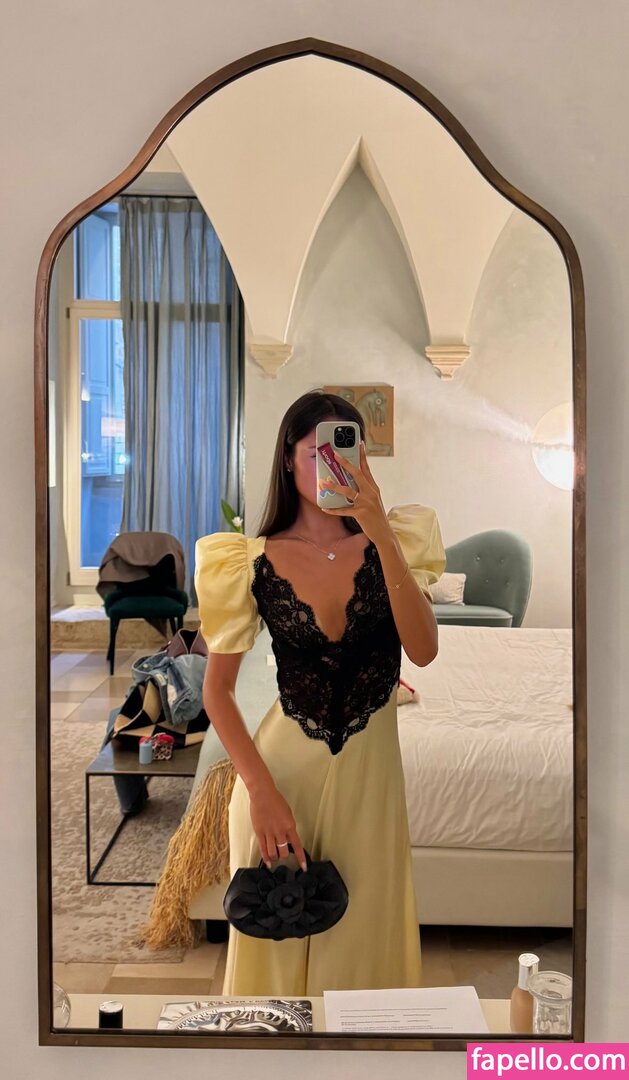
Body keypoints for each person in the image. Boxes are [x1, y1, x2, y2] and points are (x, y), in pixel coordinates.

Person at [192, 390, 446, 996]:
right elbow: (217, 693)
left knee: (366, 962)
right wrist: (259, 791)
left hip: (370, 784)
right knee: (273, 978)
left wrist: (381, 536)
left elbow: (424, 649)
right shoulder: (248, 561)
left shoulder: (398, 539)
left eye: (349, 451)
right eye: (318, 452)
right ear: (288, 458)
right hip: (279, 782)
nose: (336, 466)